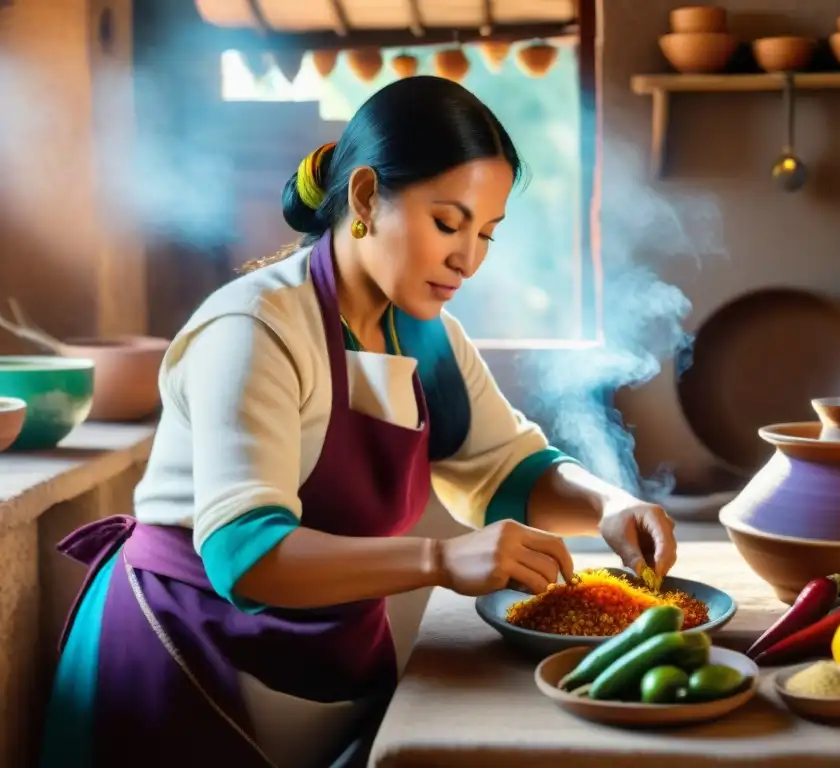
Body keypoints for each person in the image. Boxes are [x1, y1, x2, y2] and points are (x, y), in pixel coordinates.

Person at [40, 75, 678, 768]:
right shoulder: (253, 327)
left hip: (328, 660)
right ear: (367, 197)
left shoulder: (425, 335)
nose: (469, 258)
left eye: (486, 233)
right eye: (448, 222)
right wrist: (438, 559)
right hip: (185, 657)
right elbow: (246, 555)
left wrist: (611, 507)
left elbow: (508, 469)